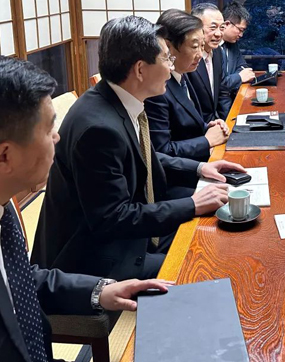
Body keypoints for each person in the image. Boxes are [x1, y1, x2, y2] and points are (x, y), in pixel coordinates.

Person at [0, 54, 171, 362]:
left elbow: (14, 278)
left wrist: (100, 291)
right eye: (49, 130)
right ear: (3, 157)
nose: (58, 138)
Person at [32, 16, 246, 281]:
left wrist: (201, 168)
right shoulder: (99, 129)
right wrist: (192, 205)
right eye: (167, 59)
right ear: (140, 69)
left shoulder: (117, 99)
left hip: (120, 235)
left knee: (215, 234)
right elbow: (113, 218)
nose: (171, 68)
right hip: (92, 258)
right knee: (205, 263)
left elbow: (145, 157)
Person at [145, 9, 229, 162]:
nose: (200, 54)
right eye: (195, 46)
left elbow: (188, 125)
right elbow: (161, 152)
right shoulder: (157, 88)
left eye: (202, 46)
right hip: (185, 171)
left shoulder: (184, 73)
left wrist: (207, 127)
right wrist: (207, 141)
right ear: (168, 47)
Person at [189, 3, 233, 122]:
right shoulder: (189, 58)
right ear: (195, 28)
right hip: (196, 126)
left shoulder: (218, 52)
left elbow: (222, 91)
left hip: (216, 122)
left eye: (222, 28)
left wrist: (227, 122)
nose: (218, 34)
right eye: (213, 28)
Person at [220, 2, 255, 96]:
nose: (241, 35)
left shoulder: (232, 44)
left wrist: (232, 78)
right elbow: (218, 84)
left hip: (234, 96)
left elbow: (243, 67)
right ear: (227, 24)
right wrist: (239, 77)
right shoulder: (213, 47)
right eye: (240, 30)